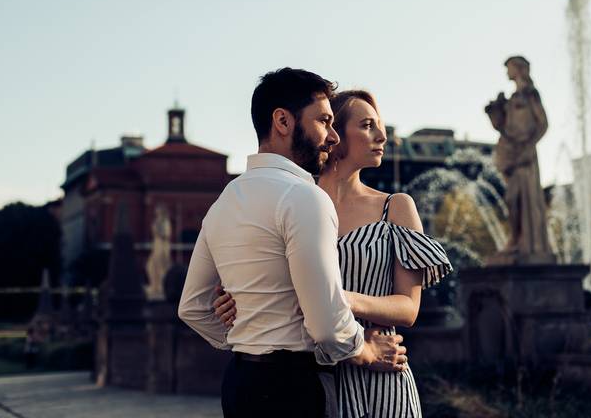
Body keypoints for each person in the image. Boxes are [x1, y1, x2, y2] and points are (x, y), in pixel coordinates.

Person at [178, 69, 407, 418]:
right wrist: (369, 352)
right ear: (282, 121)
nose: (332, 137)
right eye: (324, 121)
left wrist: (247, 336)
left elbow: (192, 307)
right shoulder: (305, 197)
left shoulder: (224, 201)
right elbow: (328, 324)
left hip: (240, 385)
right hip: (295, 388)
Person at [215, 90, 453, 417]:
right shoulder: (293, 202)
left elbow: (409, 307)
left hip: (380, 376)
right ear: (334, 131)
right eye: (368, 125)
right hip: (309, 377)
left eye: (379, 126)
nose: (381, 135)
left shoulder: (395, 206)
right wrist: (238, 298)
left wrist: (337, 299)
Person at [485, 55, 553, 263]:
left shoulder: (530, 95)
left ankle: (526, 243)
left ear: (519, 69)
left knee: (521, 198)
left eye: (509, 68)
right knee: (513, 199)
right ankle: (517, 240)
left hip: (525, 156)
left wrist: (529, 145)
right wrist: (495, 113)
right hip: (511, 153)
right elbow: (504, 127)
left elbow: (543, 123)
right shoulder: (512, 97)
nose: (507, 72)